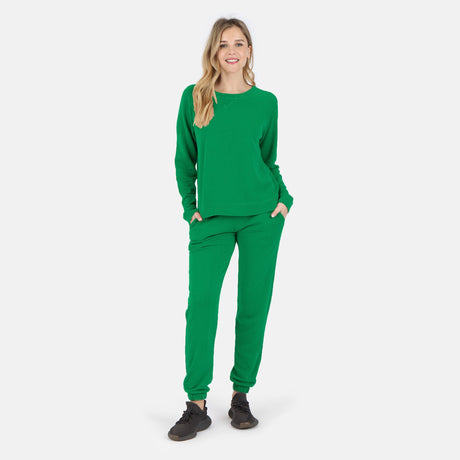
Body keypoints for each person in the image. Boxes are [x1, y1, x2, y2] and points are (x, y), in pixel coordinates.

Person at [168, 17, 294, 441]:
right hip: (212, 220)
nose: (232, 51)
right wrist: (190, 208)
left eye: (239, 43)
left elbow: (267, 159)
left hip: (262, 217)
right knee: (201, 306)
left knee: (253, 306)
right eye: (224, 44)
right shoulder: (195, 97)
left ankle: (241, 395)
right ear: (214, 51)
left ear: (249, 50)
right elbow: (184, 160)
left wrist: (284, 200)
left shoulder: (266, 102)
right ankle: (196, 404)